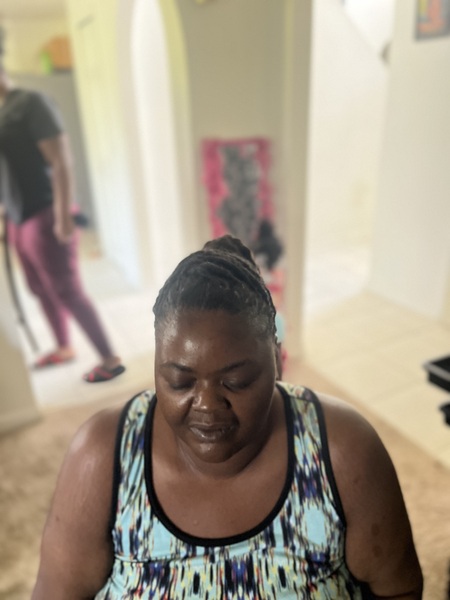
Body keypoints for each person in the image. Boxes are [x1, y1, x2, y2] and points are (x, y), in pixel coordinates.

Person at [32, 235, 423, 598]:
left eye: (236, 381)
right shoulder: (104, 454)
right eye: (180, 381)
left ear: (277, 359)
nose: (207, 405)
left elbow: (398, 590)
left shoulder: (343, 452)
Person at [0, 60, 124, 382]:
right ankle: (64, 347)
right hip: (17, 217)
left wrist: (63, 215)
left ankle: (110, 360)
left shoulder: (30, 104)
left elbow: (60, 160)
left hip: (45, 212)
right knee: (39, 287)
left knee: (66, 289)